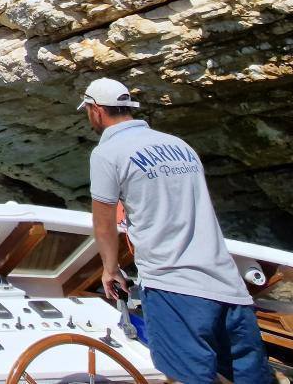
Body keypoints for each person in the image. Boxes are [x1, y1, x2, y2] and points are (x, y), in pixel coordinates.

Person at [82, 77, 271, 384]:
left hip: (175, 286)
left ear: (96, 111)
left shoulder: (107, 153)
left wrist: (110, 269)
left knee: (188, 377)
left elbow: (103, 222)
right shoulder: (180, 146)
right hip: (229, 286)